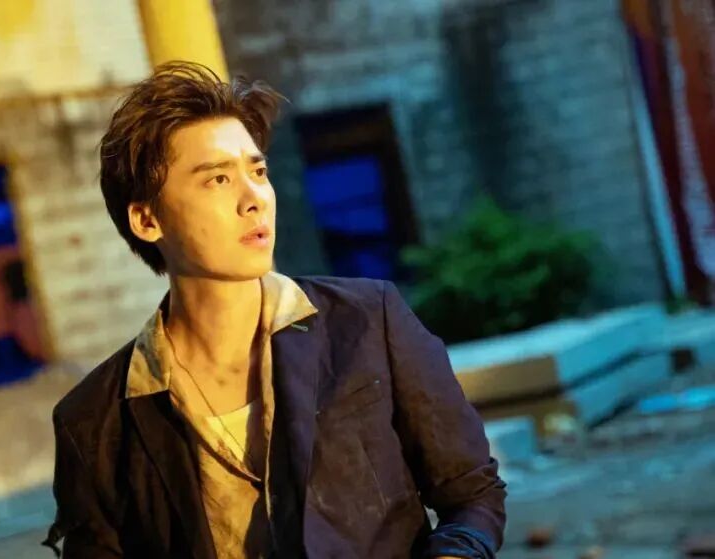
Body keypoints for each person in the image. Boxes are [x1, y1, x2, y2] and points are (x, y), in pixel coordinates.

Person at [42, 61, 506, 559]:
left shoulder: (368, 321)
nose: (254, 199)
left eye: (258, 171)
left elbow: (472, 496)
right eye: (218, 179)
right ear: (147, 219)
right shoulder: (94, 420)